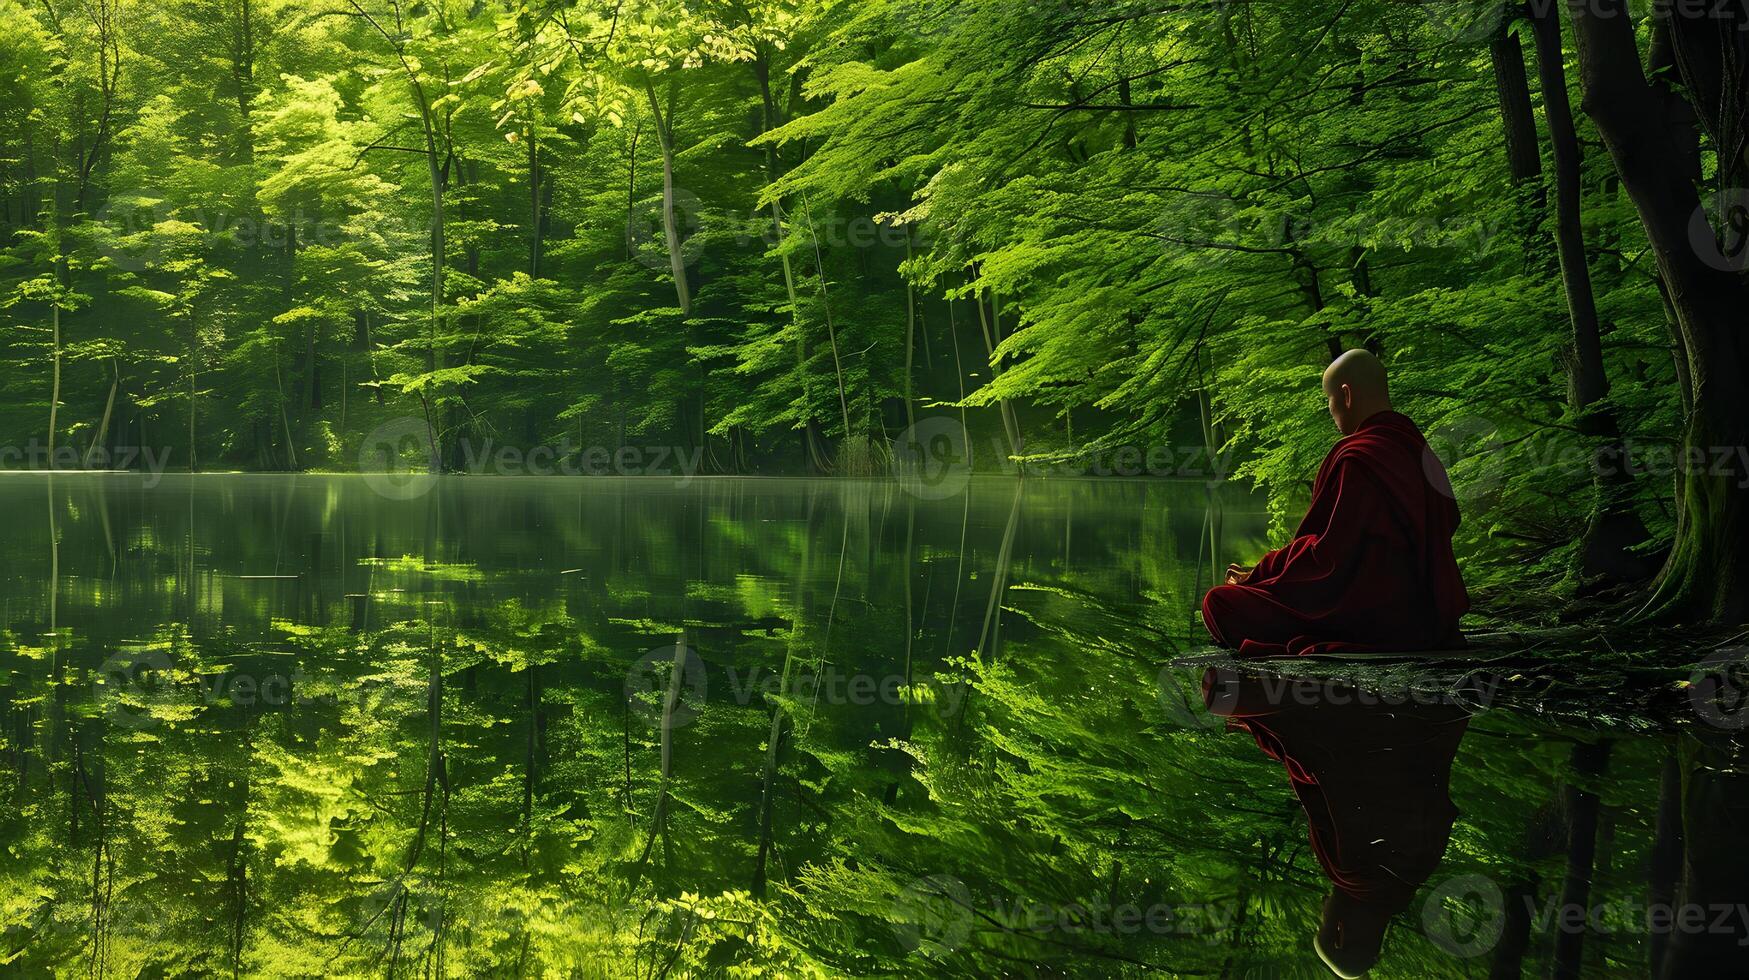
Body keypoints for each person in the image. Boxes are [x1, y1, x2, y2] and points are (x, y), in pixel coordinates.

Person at [1201, 350, 1468, 656]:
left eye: (1329, 401)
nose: (1331, 411)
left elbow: (1328, 557)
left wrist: (1260, 574)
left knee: (1218, 603)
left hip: (1361, 614)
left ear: (1346, 395)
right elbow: (1448, 521)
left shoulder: (1357, 456)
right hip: (1422, 614)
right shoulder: (1419, 449)